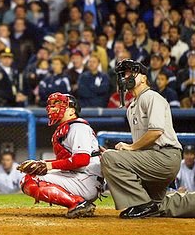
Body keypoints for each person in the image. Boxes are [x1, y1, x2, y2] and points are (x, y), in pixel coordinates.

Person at [101, 59, 195, 218]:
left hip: (164, 156)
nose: (126, 76)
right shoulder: (131, 107)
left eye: (131, 72)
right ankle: (149, 205)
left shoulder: (151, 96)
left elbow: (156, 132)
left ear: (144, 77)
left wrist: (127, 150)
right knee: (159, 205)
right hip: (151, 158)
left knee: (110, 158)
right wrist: (119, 157)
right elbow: (143, 146)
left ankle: (141, 204)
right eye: (124, 74)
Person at [18, 93, 103, 218]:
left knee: (30, 180)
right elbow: (67, 161)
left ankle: (77, 203)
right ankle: (78, 202)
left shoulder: (78, 127)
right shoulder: (67, 127)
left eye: (59, 105)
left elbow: (81, 160)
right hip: (78, 176)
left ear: (72, 111)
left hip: (86, 179)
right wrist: (41, 163)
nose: (53, 109)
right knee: (32, 175)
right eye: (52, 106)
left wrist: (49, 165)